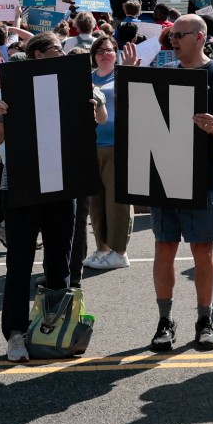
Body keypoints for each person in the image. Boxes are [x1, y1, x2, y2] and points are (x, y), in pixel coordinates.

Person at [0, 32, 106, 362]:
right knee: (19, 263)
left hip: (61, 185)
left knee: (59, 263)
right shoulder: (11, 83)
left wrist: (92, 105)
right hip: (22, 187)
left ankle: (56, 330)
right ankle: (15, 334)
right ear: (40, 55)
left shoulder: (75, 81)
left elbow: (101, 118)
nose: (63, 52)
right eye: (57, 48)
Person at [149, 14, 213, 352]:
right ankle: (165, 320)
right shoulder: (165, 75)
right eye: (171, 35)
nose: (173, 40)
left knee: (202, 250)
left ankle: (205, 320)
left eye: (179, 35)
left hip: (202, 176)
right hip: (166, 174)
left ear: (200, 37)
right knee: (164, 247)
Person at [84, 35, 132, 270]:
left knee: (118, 201)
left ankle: (120, 251)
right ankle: (102, 247)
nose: (105, 54)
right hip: (92, 145)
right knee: (97, 202)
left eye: (110, 50)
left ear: (117, 53)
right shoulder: (87, 78)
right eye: (100, 50)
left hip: (116, 144)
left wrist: (131, 71)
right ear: (94, 54)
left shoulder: (123, 74)